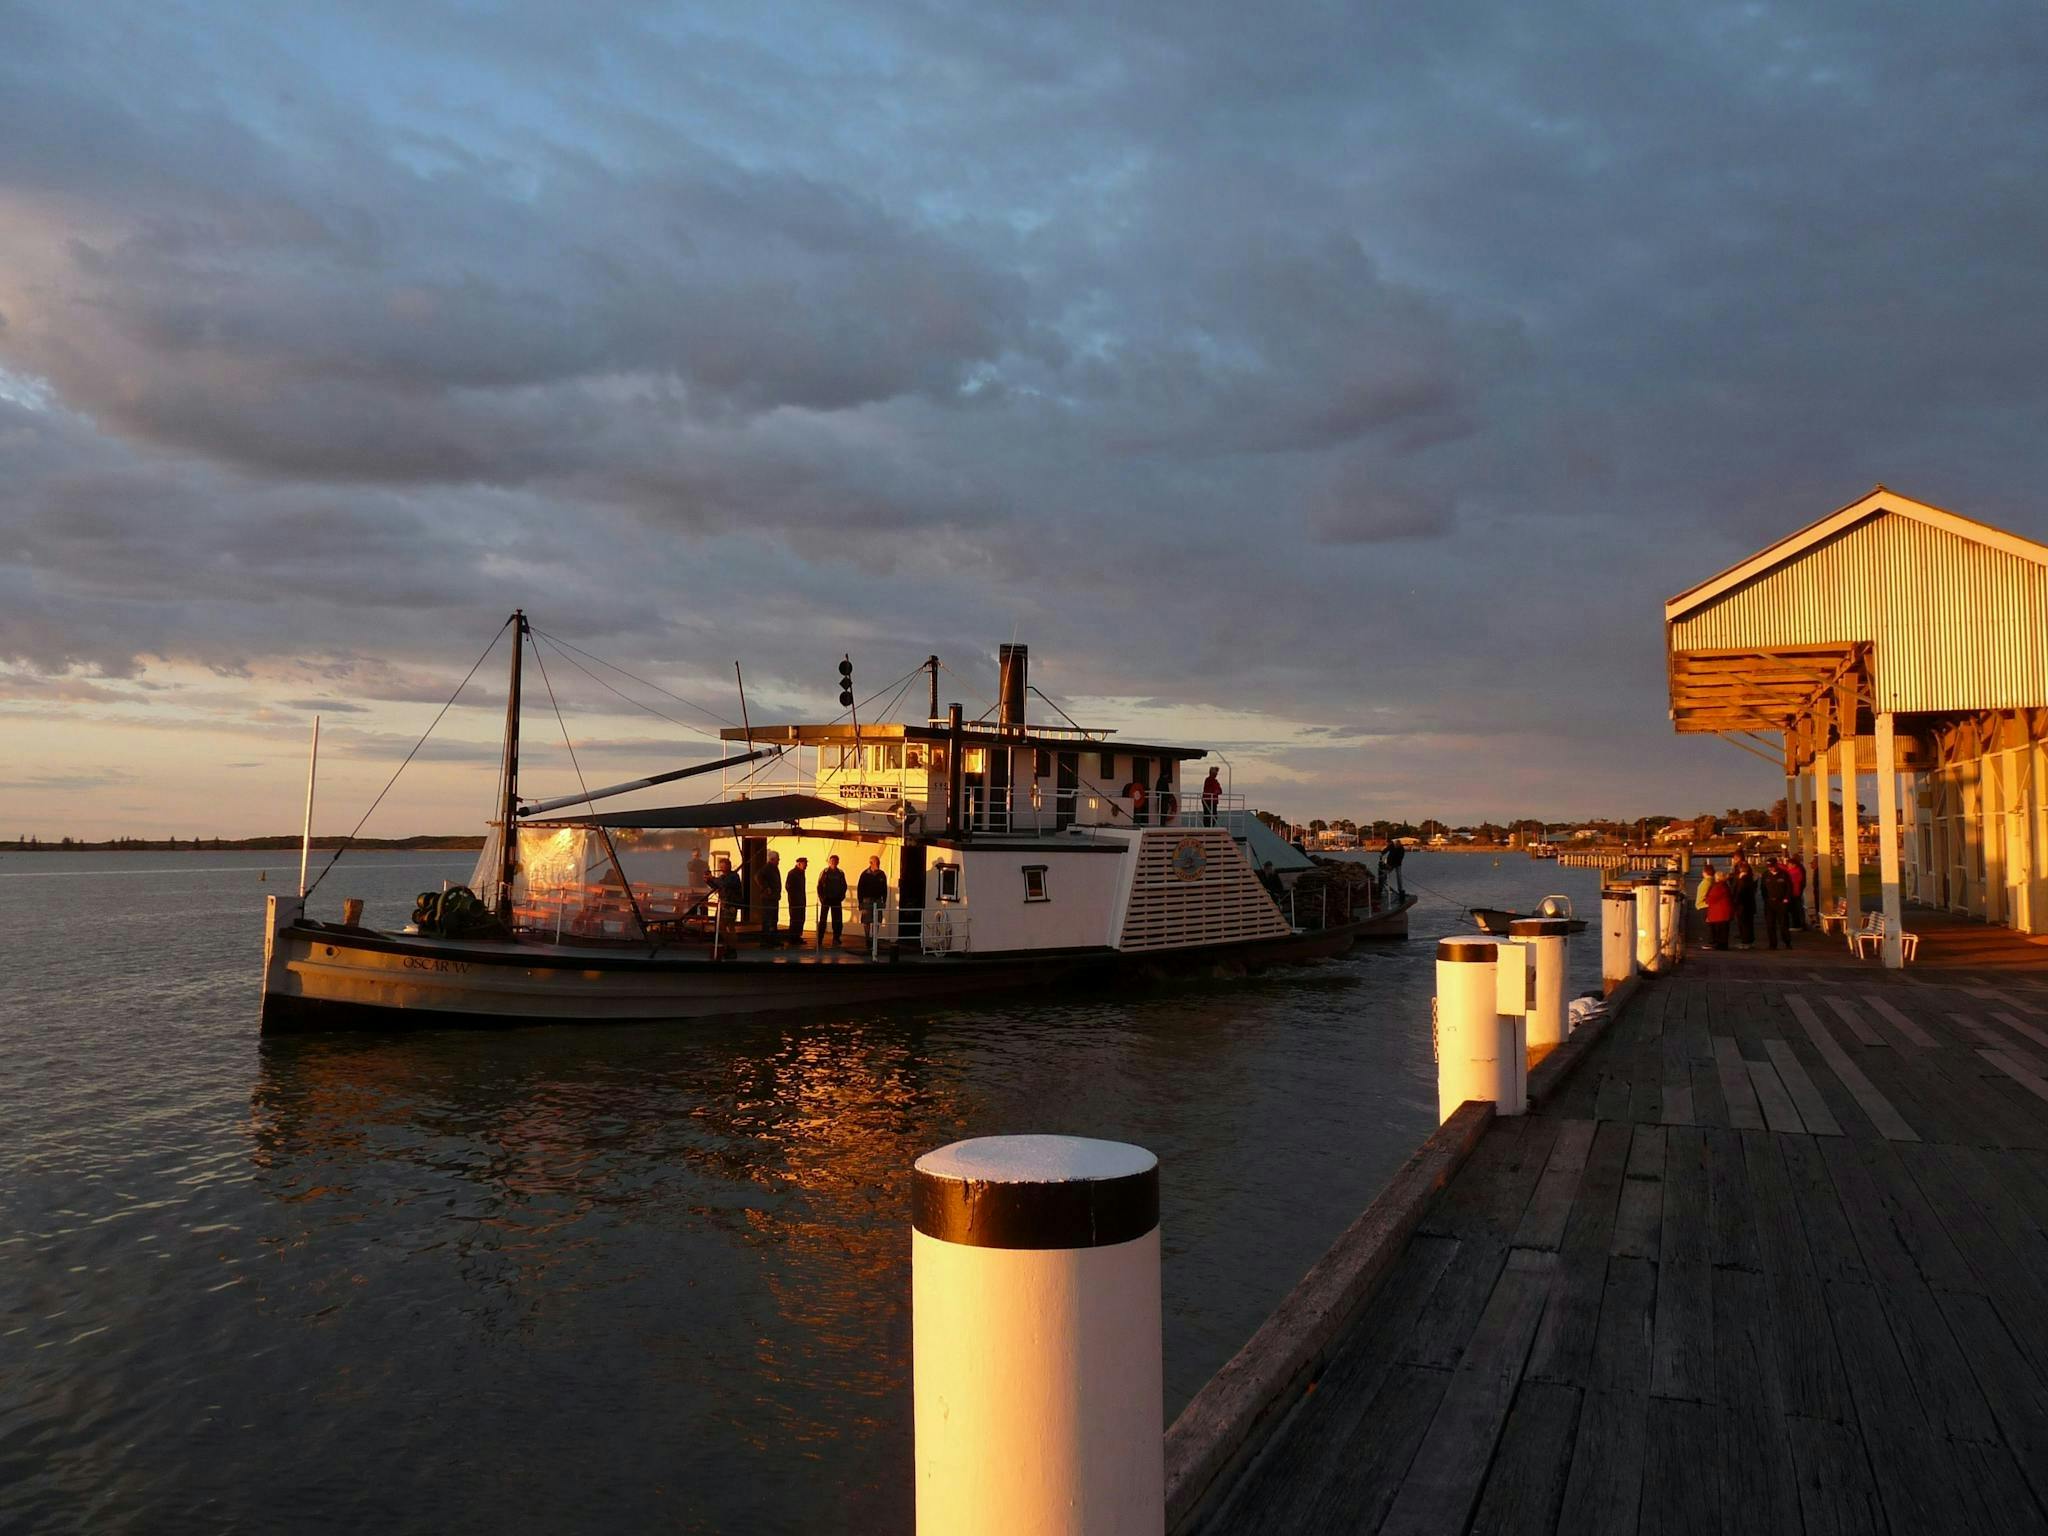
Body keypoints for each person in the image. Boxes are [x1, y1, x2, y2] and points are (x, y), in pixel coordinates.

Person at [1760, 856, 1792, 950]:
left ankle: (1787, 942)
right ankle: (1772, 944)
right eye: (1768, 866)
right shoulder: (1765, 875)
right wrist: (1765, 899)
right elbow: (1763, 889)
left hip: (1781, 902)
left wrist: (1786, 899)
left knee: (1783, 924)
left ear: (1776, 865)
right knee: (1770, 924)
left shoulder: (1783, 874)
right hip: (1770, 903)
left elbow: (1789, 888)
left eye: (1772, 866)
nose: (1770, 868)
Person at [856, 855, 889, 946]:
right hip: (867, 900)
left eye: (878, 862)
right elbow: (860, 888)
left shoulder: (882, 874)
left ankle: (875, 939)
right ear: (871, 863)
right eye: (876, 862)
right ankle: (867, 939)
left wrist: (884, 901)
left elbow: (885, 888)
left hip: (878, 899)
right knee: (866, 921)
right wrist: (860, 902)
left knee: (877, 920)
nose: (878, 864)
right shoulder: (865, 874)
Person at [754, 850, 783, 944]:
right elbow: (758, 876)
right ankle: (766, 940)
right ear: (772, 859)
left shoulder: (774, 868)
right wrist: (766, 888)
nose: (778, 861)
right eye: (777, 859)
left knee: (774, 919)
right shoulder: (767, 868)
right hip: (768, 898)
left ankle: (773, 939)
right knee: (768, 919)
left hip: (774, 898)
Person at [1731, 855, 1758, 950]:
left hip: (1743, 905)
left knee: (1744, 923)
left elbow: (1739, 892)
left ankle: (1745, 941)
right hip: (1748, 904)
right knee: (1748, 923)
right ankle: (1748, 940)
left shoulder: (1743, 879)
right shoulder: (1751, 878)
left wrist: (1735, 901)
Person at [1704, 869, 1734, 949]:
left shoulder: (1718, 887)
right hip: (1723, 912)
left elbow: (1710, 899)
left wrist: (1706, 898)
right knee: (1723, 930)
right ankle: (1722, 945)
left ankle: (1720, 945)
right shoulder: (1725, 885)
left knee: (1719, 930)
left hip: (1719, 912)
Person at [785, 856, 809, 942]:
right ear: (799, 864)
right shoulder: (792, 873)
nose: (806, 866)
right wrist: (794, 898)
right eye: (804, 864)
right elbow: (788, 887)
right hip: (795, 901)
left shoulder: (801, 873)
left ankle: (798, 936)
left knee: (801, 918)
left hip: (801, 900)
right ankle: (793, 937)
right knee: (795, 919)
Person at [1786, 854, 1807, 929]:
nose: (1787, 865)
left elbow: (1792, 882)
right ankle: (1799, 923)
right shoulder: (1797, 870)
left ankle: (1798, 924)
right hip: (1796, 892)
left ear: (1793, 864)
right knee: (1796, 908)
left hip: (1794, 893)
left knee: (1796, 909)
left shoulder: (1794, 872)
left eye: (1788, 864)